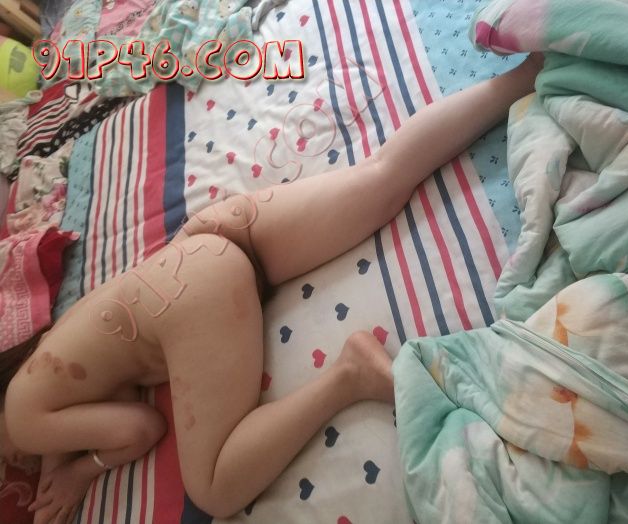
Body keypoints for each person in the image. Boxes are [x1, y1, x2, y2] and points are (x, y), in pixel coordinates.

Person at [0, 54, 542, 523]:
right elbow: (95, 382)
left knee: (214, 489)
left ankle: (348, 376)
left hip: (194, 298)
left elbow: (138, 428)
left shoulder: (23, 423)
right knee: (381, 175)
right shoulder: (34, 368)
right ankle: (525, 76)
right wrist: (58, 455)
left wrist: (81, 471)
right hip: (210, 240)